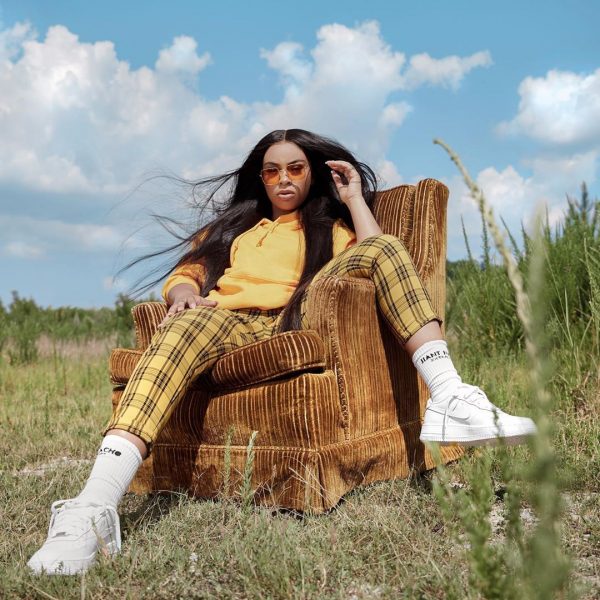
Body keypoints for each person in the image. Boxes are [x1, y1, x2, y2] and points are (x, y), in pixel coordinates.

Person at [27, 128, 537, 575]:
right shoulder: (234, 231)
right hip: (222, 319)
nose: (283, 179)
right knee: (181, 325)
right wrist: (184, 296)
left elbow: (375, 253)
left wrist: (353, 198)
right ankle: (92, 508)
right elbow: (186, 274)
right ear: (261, 179)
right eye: (272, 171)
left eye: (295, 168)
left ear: (311, 174)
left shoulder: (331, 230)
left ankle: (450, 396)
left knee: (383, 246)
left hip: (291, 318)